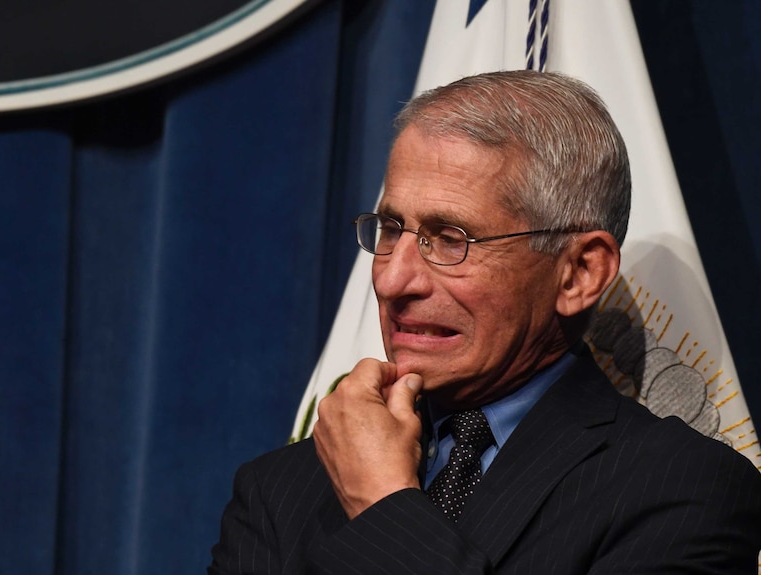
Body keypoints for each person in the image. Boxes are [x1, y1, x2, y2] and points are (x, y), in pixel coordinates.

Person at [208, 71, 761, 574]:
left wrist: (382, 508)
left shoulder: (680, 488)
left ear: (579, 274)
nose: (393, 281)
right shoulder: (279, 491)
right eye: (392, 229)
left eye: (451, 239)